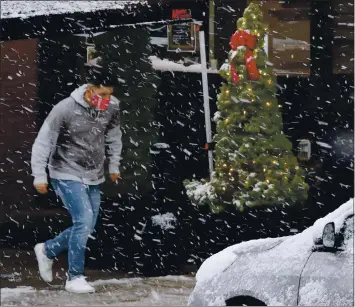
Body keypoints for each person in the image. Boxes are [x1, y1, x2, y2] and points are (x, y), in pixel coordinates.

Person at [31, 70, 122, 293]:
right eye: (102, 94)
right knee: (84, 219)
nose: (106, 99)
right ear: (89, 90)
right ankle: (75, 277)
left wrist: (114, 165)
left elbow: (114, 136)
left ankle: (47, 250)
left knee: (88, 226)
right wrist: (39, 175)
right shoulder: (65, 108)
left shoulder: (112, 107)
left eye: (109, 95)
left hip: (93, 174)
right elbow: (43, 141)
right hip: (65, 171)